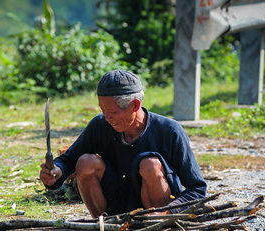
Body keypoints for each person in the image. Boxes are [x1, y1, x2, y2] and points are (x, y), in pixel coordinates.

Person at [40, 69, 207, 218]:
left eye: (113, 112)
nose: (107, 118)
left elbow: (197, 189)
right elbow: (68, 160)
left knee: (150, 164)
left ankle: (156, 224)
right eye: (103, 111)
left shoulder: (169, 131)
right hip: (115, 208)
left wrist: (168, 212)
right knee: (85, 162)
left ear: (135, 105)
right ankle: (105, 226)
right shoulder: (101, 125)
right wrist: (55, 171)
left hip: (156, 213)